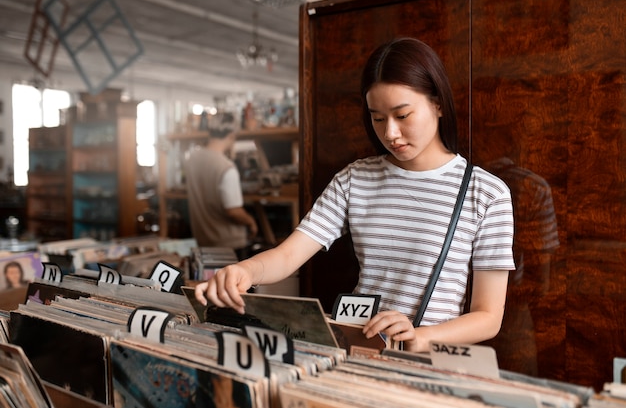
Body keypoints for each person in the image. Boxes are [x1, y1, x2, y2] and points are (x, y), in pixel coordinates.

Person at [195, 37, 515, 353]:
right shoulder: (355, 178)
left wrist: (421, 337)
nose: (390, 133)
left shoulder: (485, 194)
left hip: (425, 365)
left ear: (438, 104)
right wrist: (245, 271)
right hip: (356, 352)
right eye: (377, 118)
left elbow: (488, 317)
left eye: (402, 115)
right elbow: (289, 255)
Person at [184, 111, 258, 260]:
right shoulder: (226, 166)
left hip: (202, 241)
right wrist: (251, 222)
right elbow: (232, 210)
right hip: (228, 245)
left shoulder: (192, 159)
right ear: (232, 135)